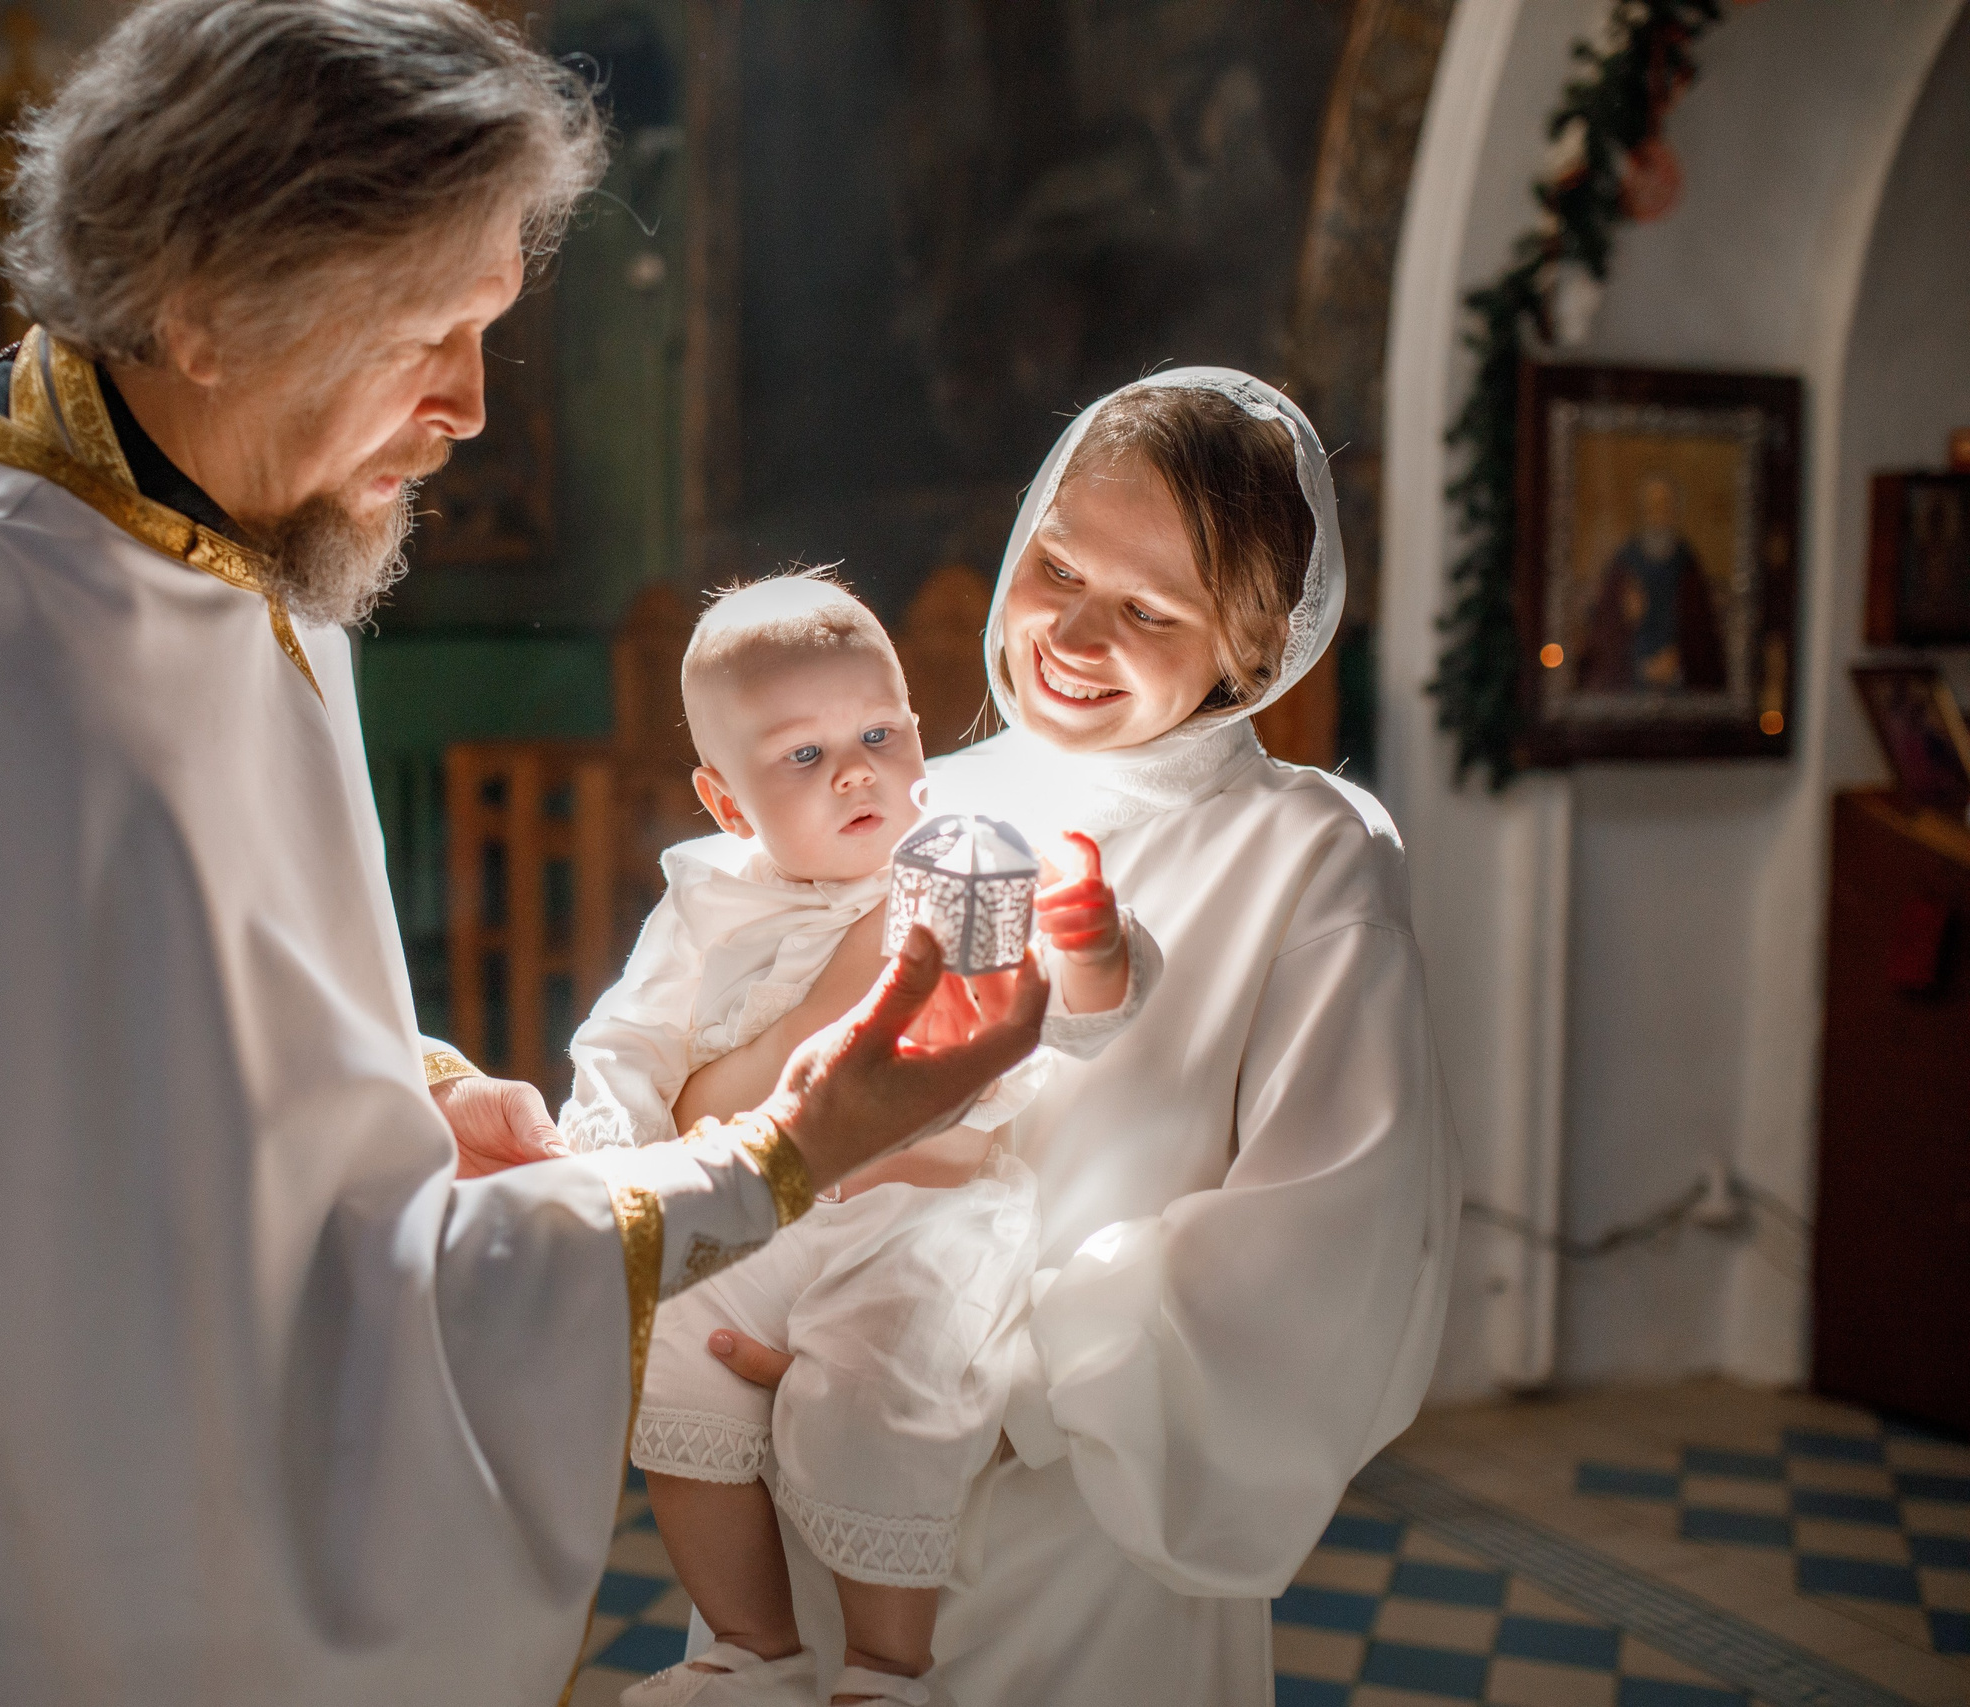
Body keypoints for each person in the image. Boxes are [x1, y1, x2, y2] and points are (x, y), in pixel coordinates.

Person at [0, 6, 1046, 1704]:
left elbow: (183, 1042)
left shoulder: (217, 534)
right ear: (205, 304)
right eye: (432, 330)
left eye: (491, 324)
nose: (474, 404)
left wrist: (401, 1084)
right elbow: (185, 1340)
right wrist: (787, 1147)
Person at [690, 370, 1459, 1704]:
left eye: (1150, 609)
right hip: (820, 1459)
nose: (1072, 630)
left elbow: (1334, 1228)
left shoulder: (1308, 856)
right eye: (1058, 564)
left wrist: (998, 1381)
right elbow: (713, 1083)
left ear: (1256, 648)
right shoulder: (913, 799)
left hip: (1079, 1523)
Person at [557, 574, 1153, 1706]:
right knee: (672, 1367)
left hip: (923, 1215)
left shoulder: (967, 863)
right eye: (801, 756)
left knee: (891, 1381)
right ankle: (751, 1649)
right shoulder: (705, 904)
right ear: (726, 803)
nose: (854, 770)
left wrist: (1094, 946)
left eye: (877, 733)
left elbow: (1078, 1019)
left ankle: (886, 1671)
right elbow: (627, 1043)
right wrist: (611, 1165)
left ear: (917, 733)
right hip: (760, 1209)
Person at [1575, 471, 1726, 693]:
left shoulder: (1687, 566)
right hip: (1630, 685)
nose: (1658, 513)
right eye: (1652, 505)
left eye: (1665, 505)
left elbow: (1702, 638)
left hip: (1680, 686)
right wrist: (1637, 658)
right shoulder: (1624, 565)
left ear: (1675, 511)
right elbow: (1604, 638)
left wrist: (1678, 662)